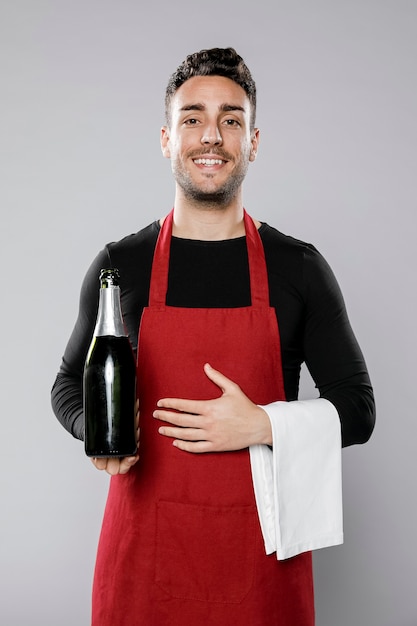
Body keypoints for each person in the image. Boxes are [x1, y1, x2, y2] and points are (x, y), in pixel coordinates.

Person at [51, 47, 375, 625]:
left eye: (231, 119)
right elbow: (67, 385)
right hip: (141, 565)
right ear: (166, 138)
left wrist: (262, 424)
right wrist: (97, 429)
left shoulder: (297, 268)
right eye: (192, 118)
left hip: (260, 564)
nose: (211, 136)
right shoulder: (118, 266)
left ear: (252, 142)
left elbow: (359, 407)